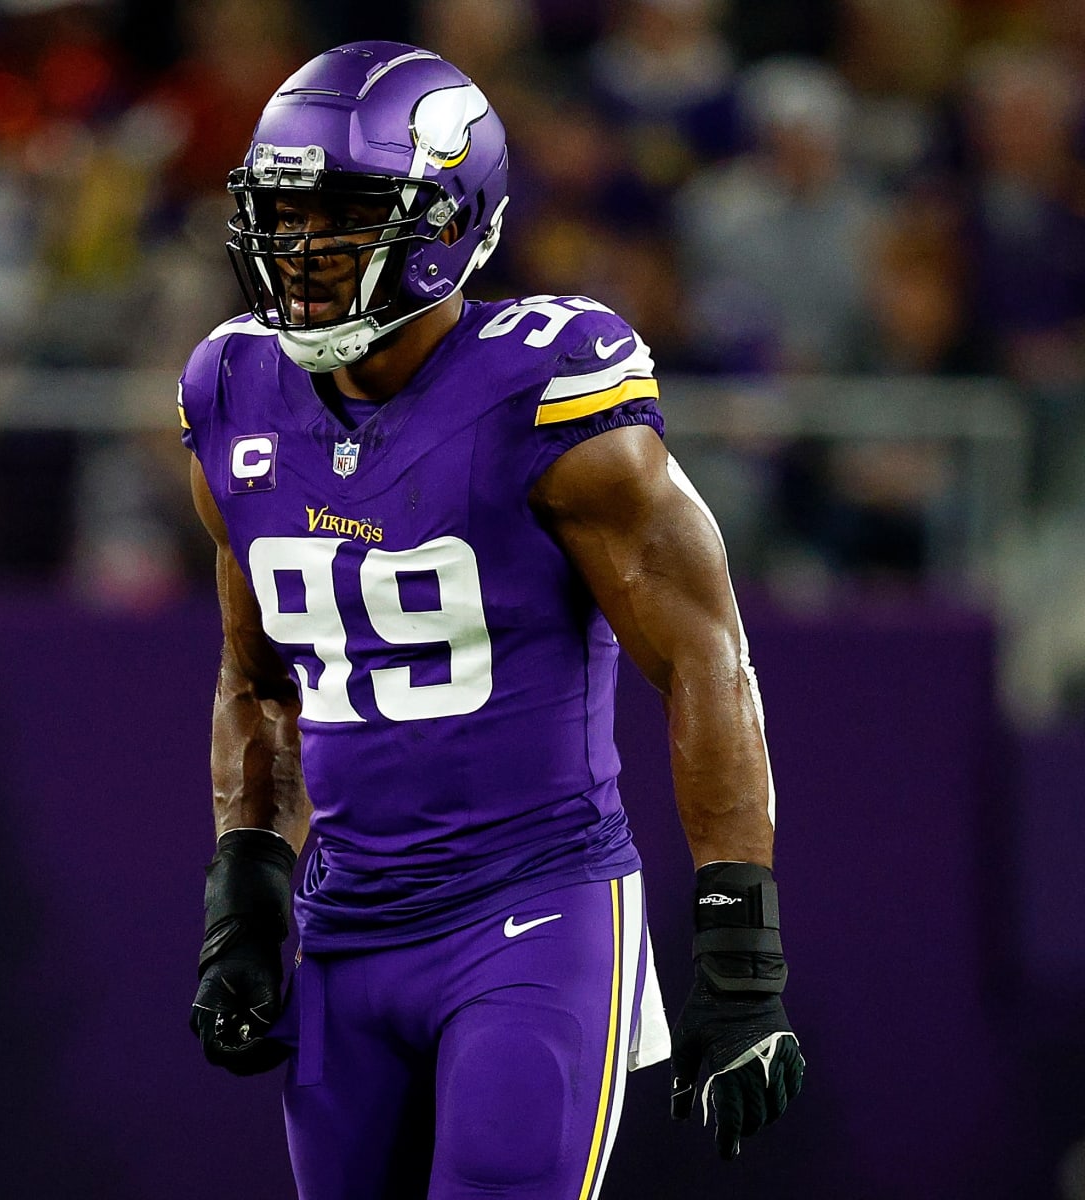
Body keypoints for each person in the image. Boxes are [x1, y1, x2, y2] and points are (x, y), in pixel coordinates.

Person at [177, 42, 805, 1197]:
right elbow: (260, 676)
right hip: (347, 927)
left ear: (448, 221)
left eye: (349, 212)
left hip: (531, 914)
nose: (305, 249)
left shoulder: (546, 385)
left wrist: (738, 950)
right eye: (286, 211)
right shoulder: (231, 389)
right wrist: (249, 891)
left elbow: (707, 658)